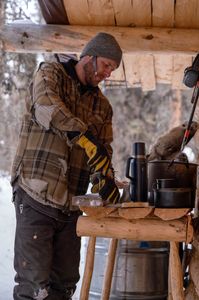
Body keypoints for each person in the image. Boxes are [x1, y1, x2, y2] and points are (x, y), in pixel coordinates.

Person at [11, 32, 122, 300]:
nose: (108, 73)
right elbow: (46, 107)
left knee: (64, 286)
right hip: (37, 194)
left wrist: (104, 177)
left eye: (113, 69)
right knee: (34, 286)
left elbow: (102, 148)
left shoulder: (102, 106)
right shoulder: (51, 74)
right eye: (107, 64)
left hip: (71, 205)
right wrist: (82, 136)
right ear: (90, 56)